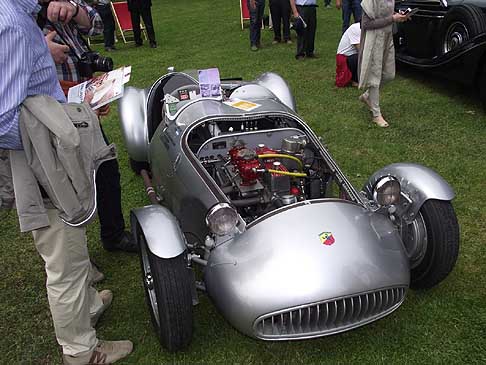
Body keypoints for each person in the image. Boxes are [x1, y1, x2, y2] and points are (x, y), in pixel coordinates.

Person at [0, 1, 132, 363]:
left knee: (72, 242)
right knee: (64, 261)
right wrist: (66, 130)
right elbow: (3, 121)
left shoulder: (18, 17)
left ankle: (87, 306)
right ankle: (81, 352)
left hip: (47, 159)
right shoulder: (10, 23)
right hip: (44, 166)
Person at [42, 0, 138, 252]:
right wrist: (42, 51)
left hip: (81, 102)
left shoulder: (64, 3)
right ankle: (76, 254)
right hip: (50, 109)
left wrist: (73, 10)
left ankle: (113, 235)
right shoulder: (18, 12)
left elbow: (96, 24)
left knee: (105, 167)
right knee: (66, 182)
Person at [358, 0, 408, 127]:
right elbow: (366, 24)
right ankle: (376, 115)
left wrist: (399, 16)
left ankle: (367, 96)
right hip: (375, 38)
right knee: (374, 77)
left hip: (387, 37)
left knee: (389, 74)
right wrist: (392, 18)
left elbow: (386, 15)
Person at [335, 22, 360, 87]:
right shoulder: (356, 28)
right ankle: (355, 80)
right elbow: (360, 50)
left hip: (352, 56)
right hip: (345, 58)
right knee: (363, 57)